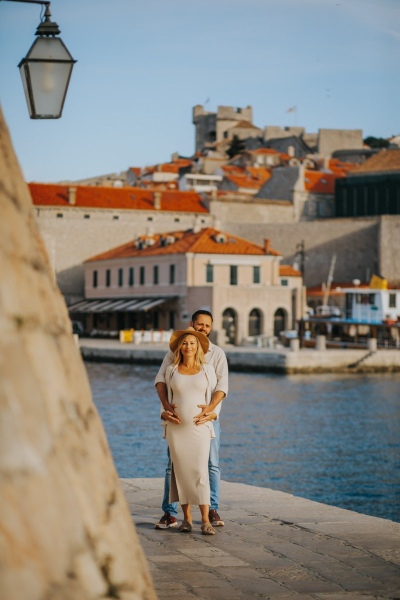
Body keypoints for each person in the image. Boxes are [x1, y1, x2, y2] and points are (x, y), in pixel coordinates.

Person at [154, 309, 228, 529]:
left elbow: (221, 387)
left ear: (211, 327)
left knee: (211, 465)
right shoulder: (175, 352)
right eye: (199, 324)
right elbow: (162, 381)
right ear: (192, 323)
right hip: (178, 425)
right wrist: (165, 409)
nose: (203, 328)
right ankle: (171, 513)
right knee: (173, 467)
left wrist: (211, 411)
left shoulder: (216, 354)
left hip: (207, 421)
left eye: (207, 325)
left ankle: (211, 510)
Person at [162, 327, 217, 534]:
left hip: (200, 428)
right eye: (185, 343)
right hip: (177, 430)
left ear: (198, 347)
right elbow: (166, 400)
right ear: (180, 347)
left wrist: (213, 413)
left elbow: (214, 398)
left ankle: (205, 520)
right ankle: (186, 519)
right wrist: (163, 414)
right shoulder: (171, 370)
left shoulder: (207, 370)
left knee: (200, 471)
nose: (188, 346)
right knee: (181, 473)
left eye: (192, 343)